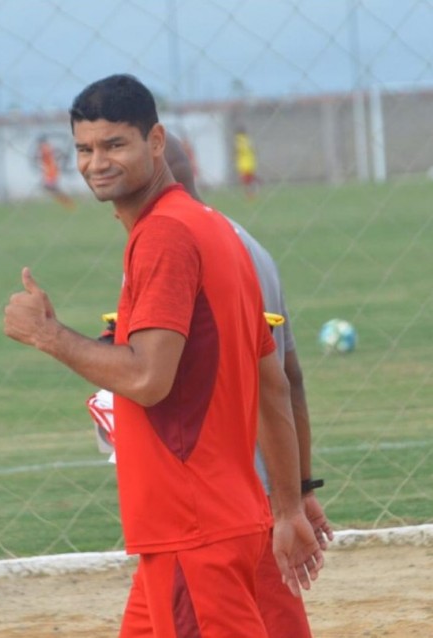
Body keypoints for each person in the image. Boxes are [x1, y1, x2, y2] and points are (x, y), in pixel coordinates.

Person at [3, 74, 322, 637]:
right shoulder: (216, 229)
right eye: (85, 148)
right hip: (218, 520)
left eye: (115, 144)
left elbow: (149, 377)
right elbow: (270, 382)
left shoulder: (164, 238)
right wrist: (288, 507)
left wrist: (48, 334)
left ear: (156, 141)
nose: (96, 162)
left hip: (192, 528)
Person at [86, 132, 334, 637]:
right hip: (225, 506)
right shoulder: (239, 242)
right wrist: (299, 490)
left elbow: (154, 376)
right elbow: (284, 378)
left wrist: (62, 341)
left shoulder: (171, 245)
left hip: (212, 508)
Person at [36, 136, 76, 209]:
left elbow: (45, 156)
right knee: (52, 189)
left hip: (50, 173)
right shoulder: (47, 148)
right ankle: (65, 202)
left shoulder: (44, 148)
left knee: (51, 188)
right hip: (49, 172)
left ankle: (67, 202)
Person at [235, 125, 258, 199]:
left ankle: (249, 194)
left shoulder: (239, 140)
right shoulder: (248, 139)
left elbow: (240, 150)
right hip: (250, 162)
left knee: (246, 181)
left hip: (243, 163)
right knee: (248, 180)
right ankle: (251, 193)